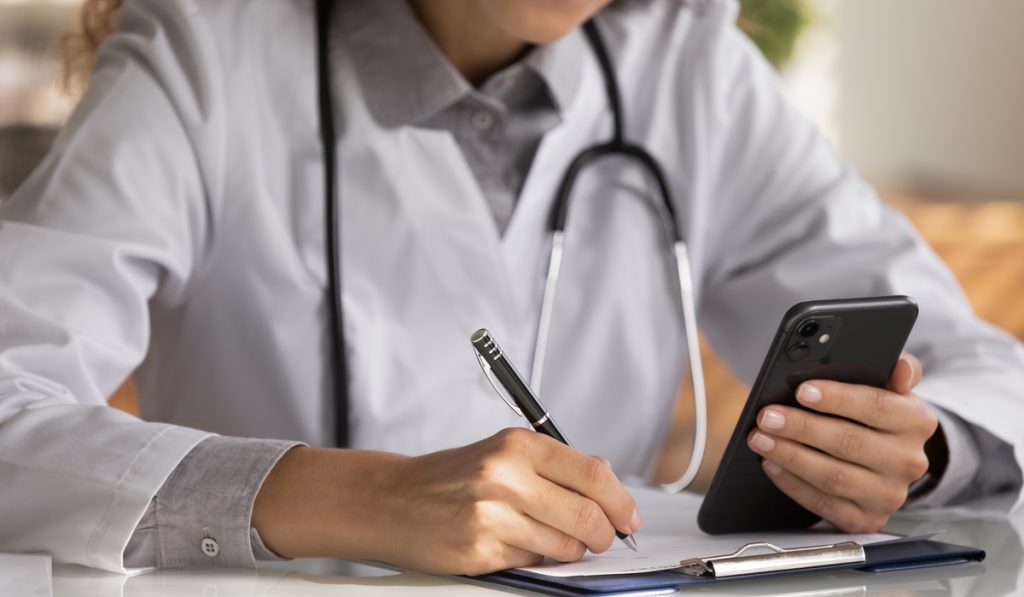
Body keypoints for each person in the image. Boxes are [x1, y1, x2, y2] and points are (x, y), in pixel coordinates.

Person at [0, 0, 1021, 576]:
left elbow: (982, 370)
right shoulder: (206, 53)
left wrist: (914, 444)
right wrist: (357, 495)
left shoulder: (687, 65)